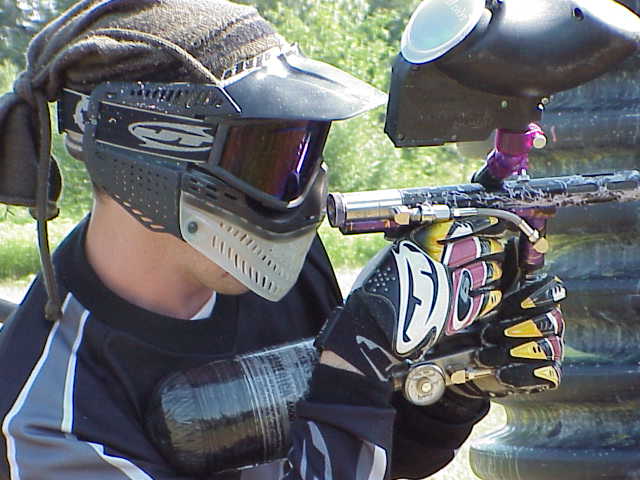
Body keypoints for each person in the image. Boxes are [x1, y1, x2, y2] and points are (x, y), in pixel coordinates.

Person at [0, 1, 565, 479]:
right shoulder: (50, 415)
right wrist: (351, 370)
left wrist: (453, 376)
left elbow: (387, 456)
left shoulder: (274, 271)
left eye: (302, 151)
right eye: (265, 157)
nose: (301, 192)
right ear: (148, 156)